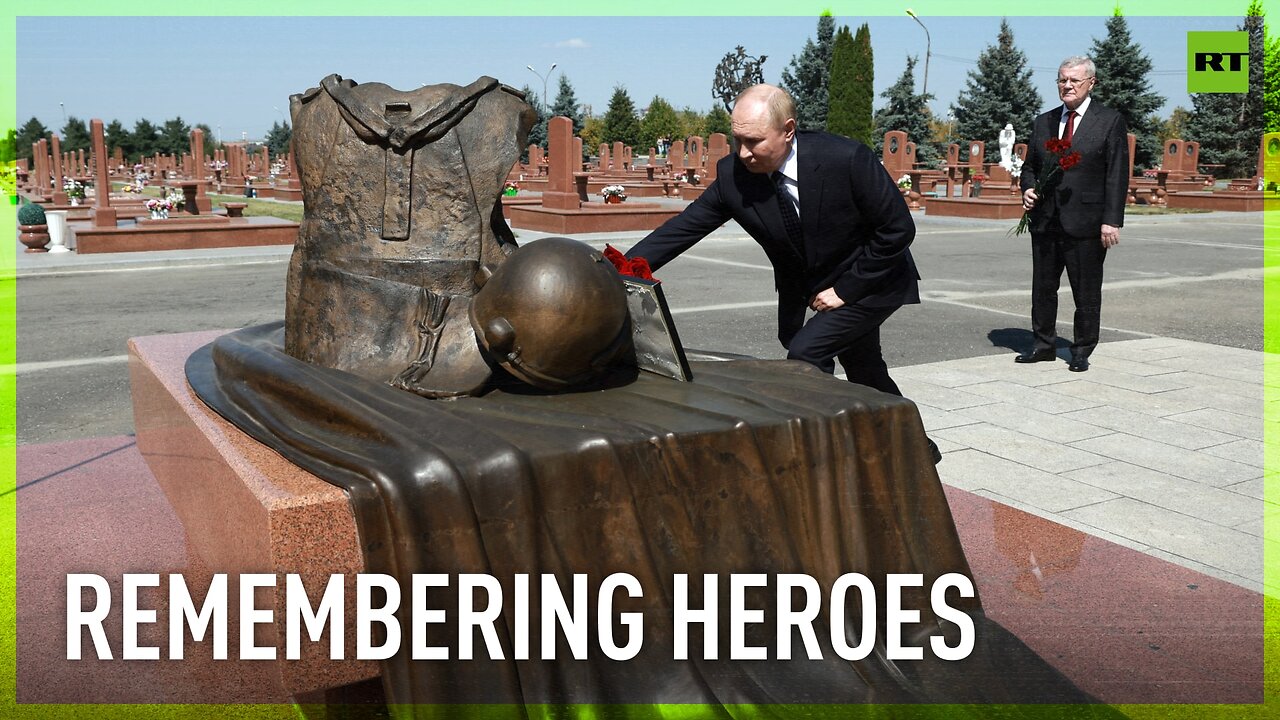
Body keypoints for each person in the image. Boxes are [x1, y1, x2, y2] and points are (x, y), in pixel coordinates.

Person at [626, 84, 939, 463]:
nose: (743, 153)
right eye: (737, 140)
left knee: (807, 353)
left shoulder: (845, 158)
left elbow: (898, 230)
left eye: (754, 141)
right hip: (810, 285)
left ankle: (823, 454)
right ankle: (915, 447)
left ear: (788, 130)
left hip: (872, 278)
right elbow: (684, 228)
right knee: (865, 367)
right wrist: (620, 270)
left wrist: (845, 289)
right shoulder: (734, 175)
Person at [1017, 56, 1128, 373]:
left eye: (1074, 80)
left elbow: (1116, 175)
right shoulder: (1044, 121)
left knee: (1086, 291)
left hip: (1088, 223)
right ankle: (1043, 345)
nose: (1067, 85)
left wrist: (1112, 220)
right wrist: (1027, 188)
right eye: (1062, 80)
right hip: (1046, 220)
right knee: (1043, 288)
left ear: (1090, 83)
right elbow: (1030, 167)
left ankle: (1081, 349)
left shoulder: (1108, 121)